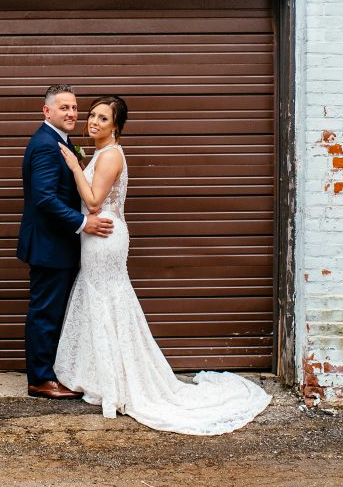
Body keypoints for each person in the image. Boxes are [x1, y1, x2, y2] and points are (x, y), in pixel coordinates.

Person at [53, 95, 272, 435]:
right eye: (92, 115)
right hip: (96, 238)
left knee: (108, 300)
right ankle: (105, 376)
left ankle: (121, 381)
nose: (93, 122)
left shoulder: (111, 155)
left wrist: (72, 165)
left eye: (103, 118)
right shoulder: (100, 153)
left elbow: (94, 201)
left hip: (105, 236)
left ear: (116, 127)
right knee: (102, 300)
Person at [17, 85, 114, 399]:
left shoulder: (62, 141)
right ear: (47, 111)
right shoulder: (46, 144)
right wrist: (85, 223)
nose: (72, 113)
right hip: (49, 245)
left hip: (58, 244)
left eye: (74, 107)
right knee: (45, 312)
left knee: (54, 310)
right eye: (64, 108)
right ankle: (40, 379)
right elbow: (45, 198)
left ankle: (53, 372)